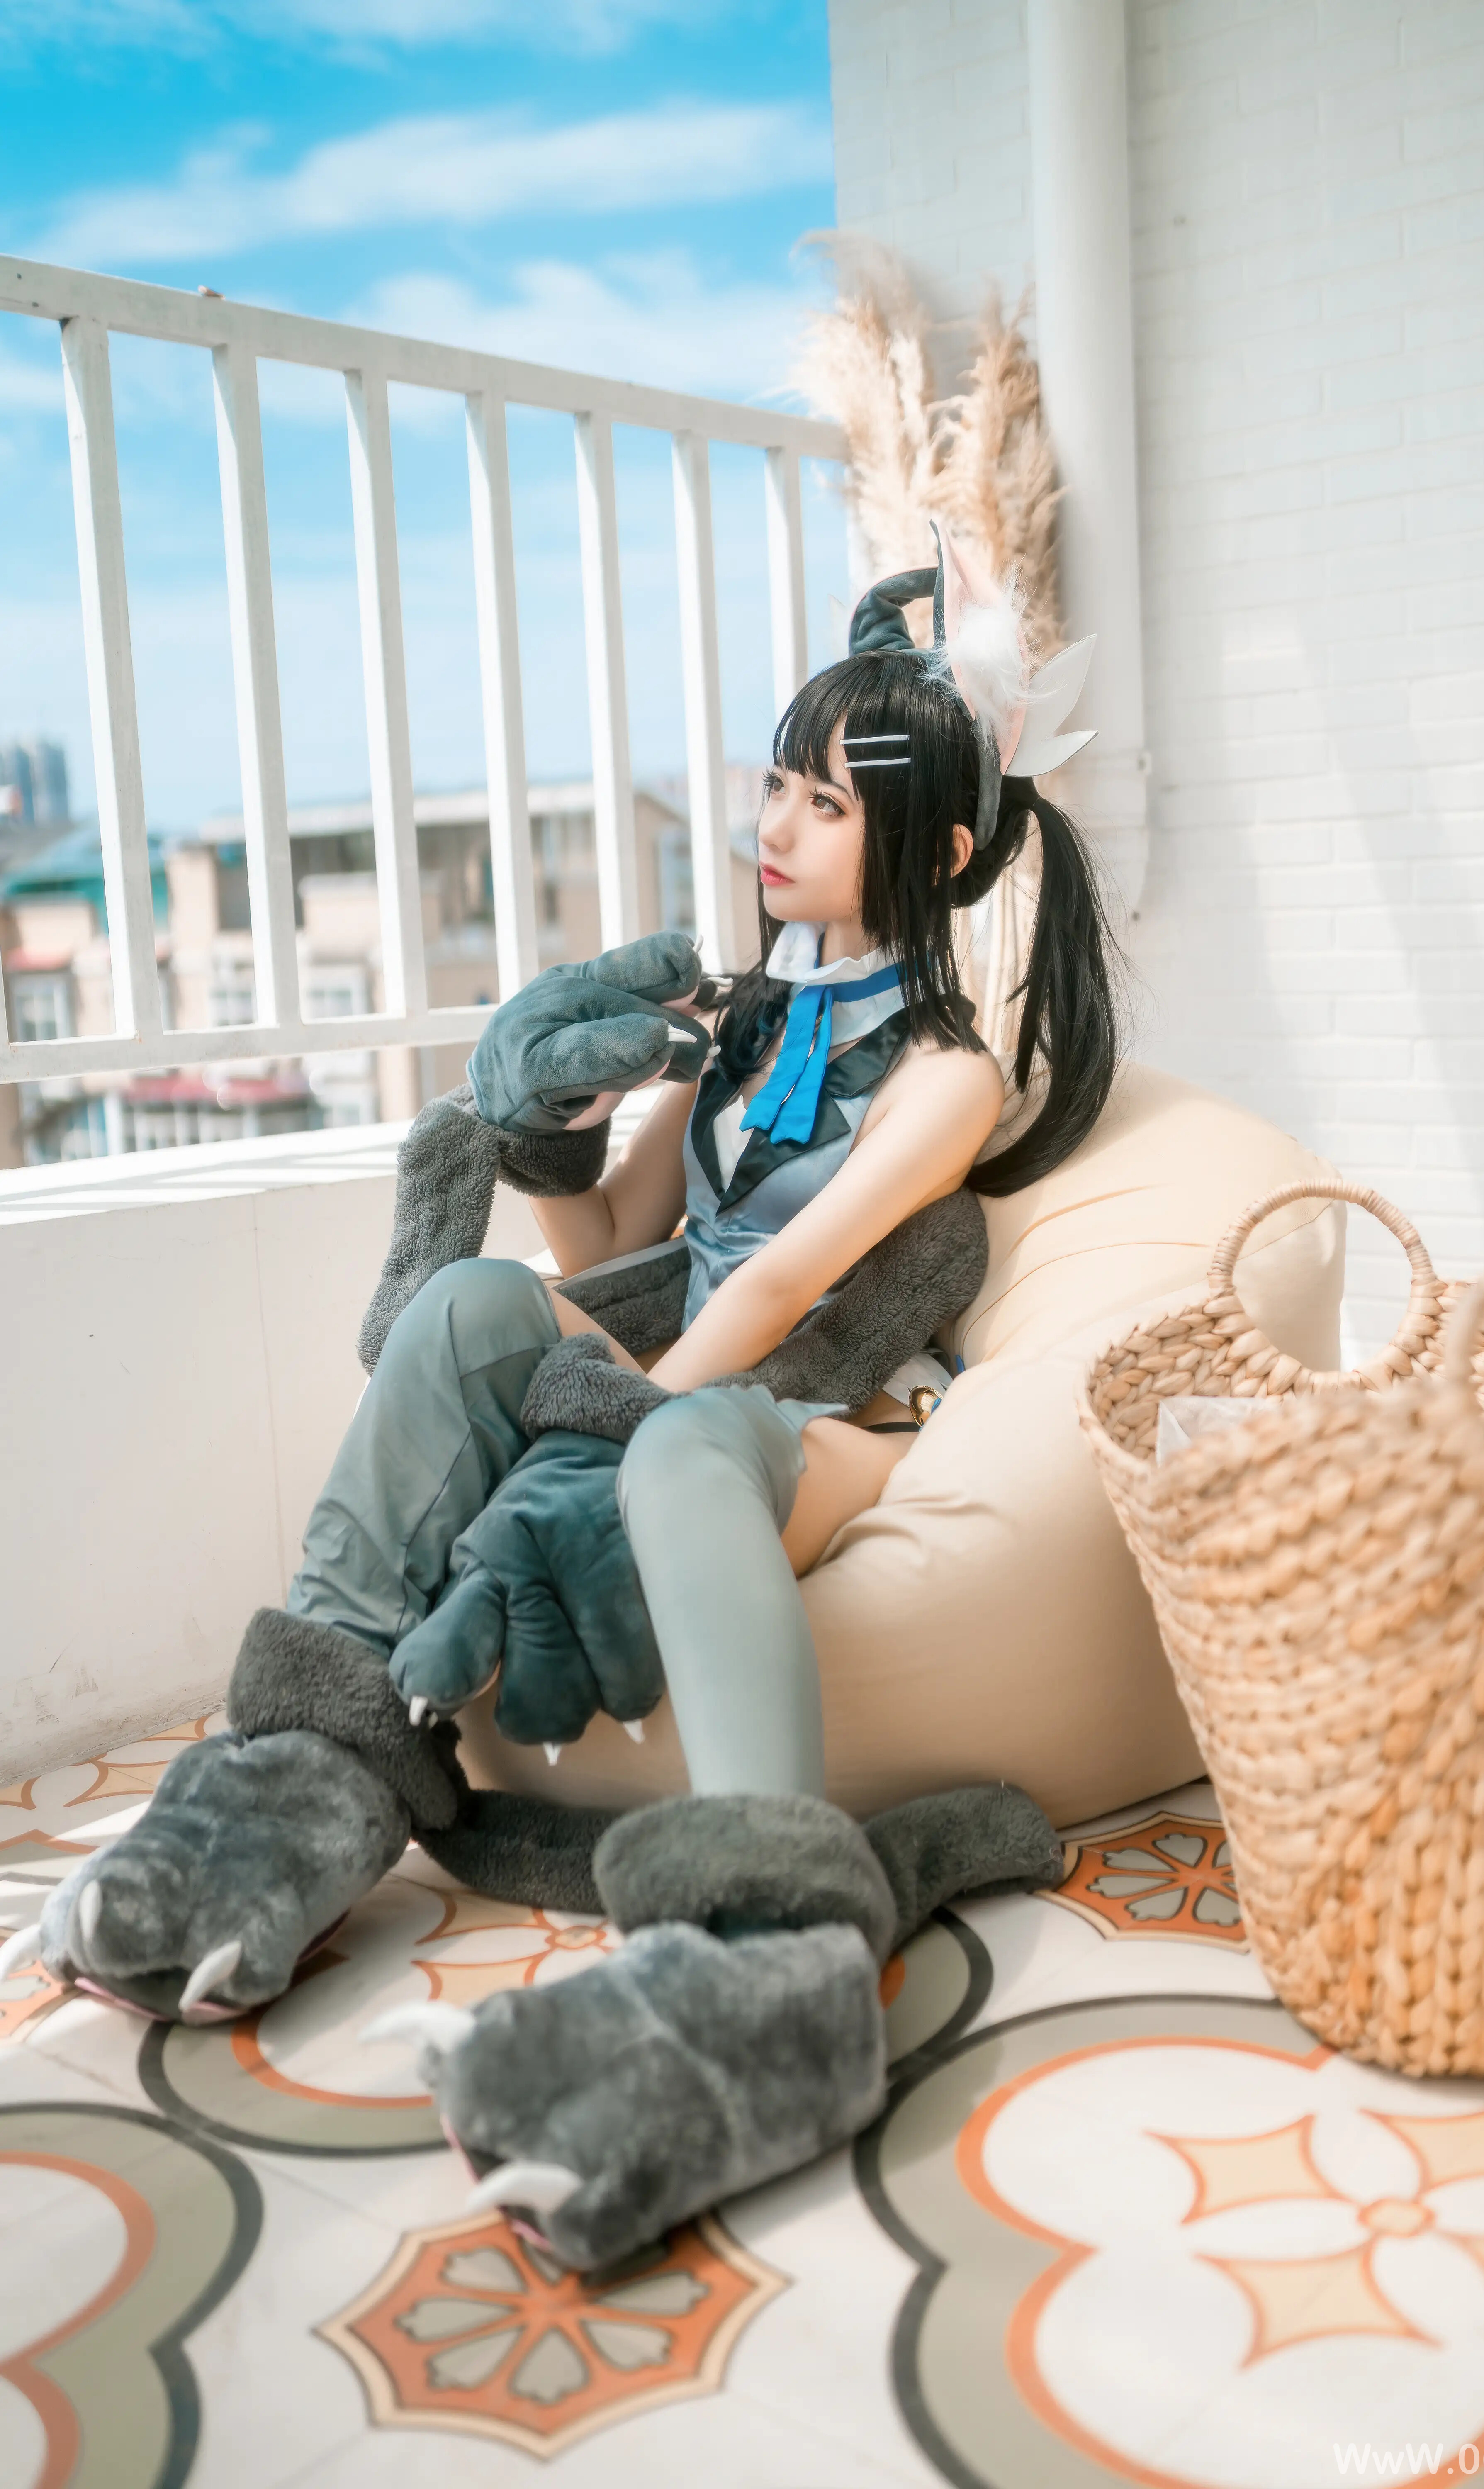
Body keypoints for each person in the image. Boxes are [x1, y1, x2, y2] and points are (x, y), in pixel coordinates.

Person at [9, 528, 1119, 2269]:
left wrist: (614, 1410)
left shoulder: (945, 1075)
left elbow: (778, 1285)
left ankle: (764, 1960)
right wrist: (545, 1129)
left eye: (823, 802)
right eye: (774, 782)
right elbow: (614, 1241)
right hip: (682, 1351)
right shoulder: (744, 1032)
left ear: (944, 852)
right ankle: (298, 1782)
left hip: (831, 1410)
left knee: (677, 1449)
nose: (770, 823)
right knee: (464, 1305)